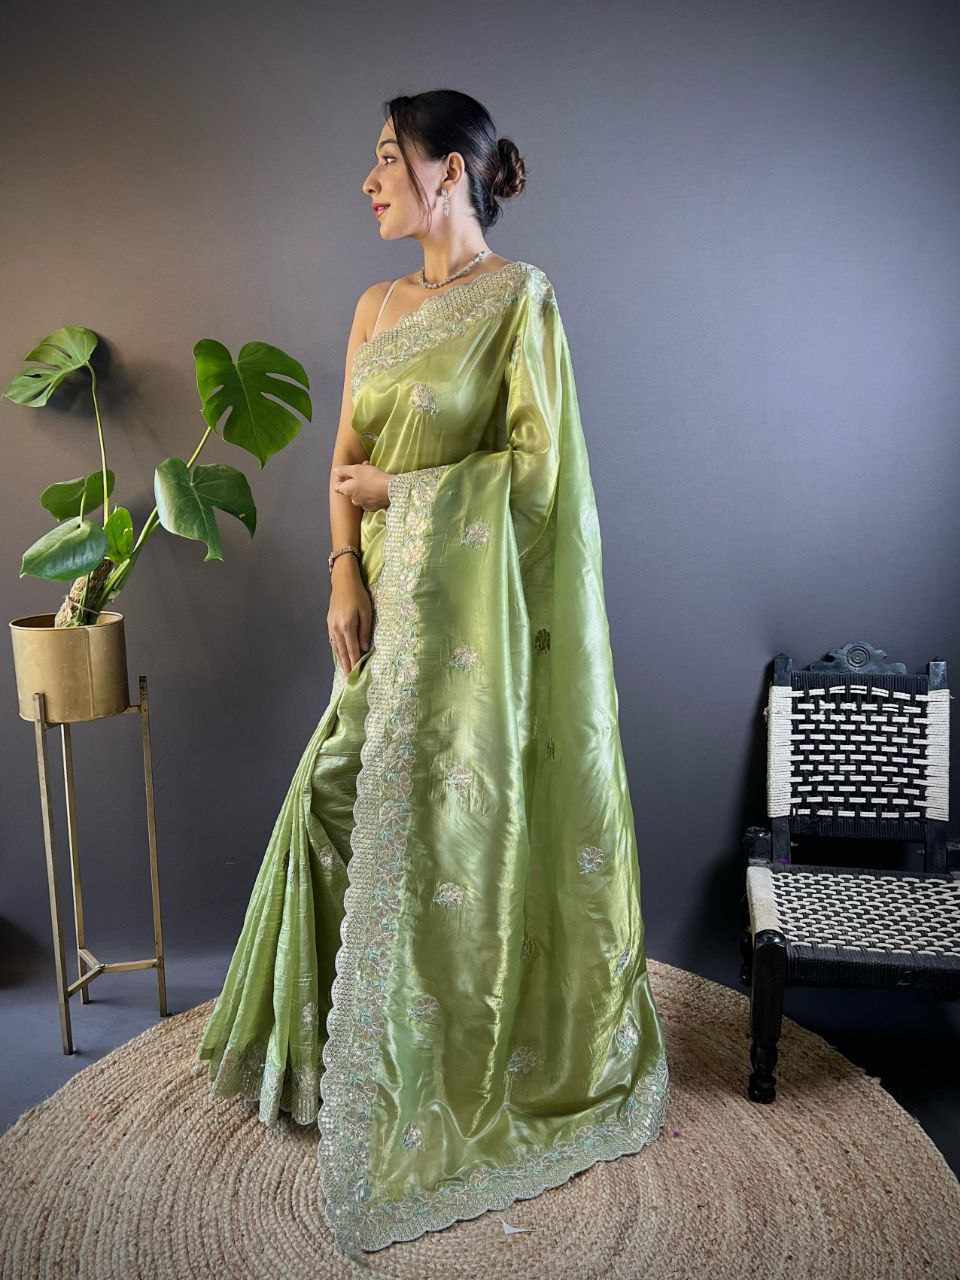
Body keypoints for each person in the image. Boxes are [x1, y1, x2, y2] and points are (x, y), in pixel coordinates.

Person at [192, 88, 670, 1260]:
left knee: (440, 840)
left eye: (386, 158)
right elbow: (343, 458)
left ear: (450, 171)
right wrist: (340, 570)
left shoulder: (519, 301)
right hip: (383, 609)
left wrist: (407, 494)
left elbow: (540, 476)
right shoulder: (377, 305)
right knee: (334, 803)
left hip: (470, 633)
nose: (369, 181)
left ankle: (441, 1059)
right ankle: (327, 1058)